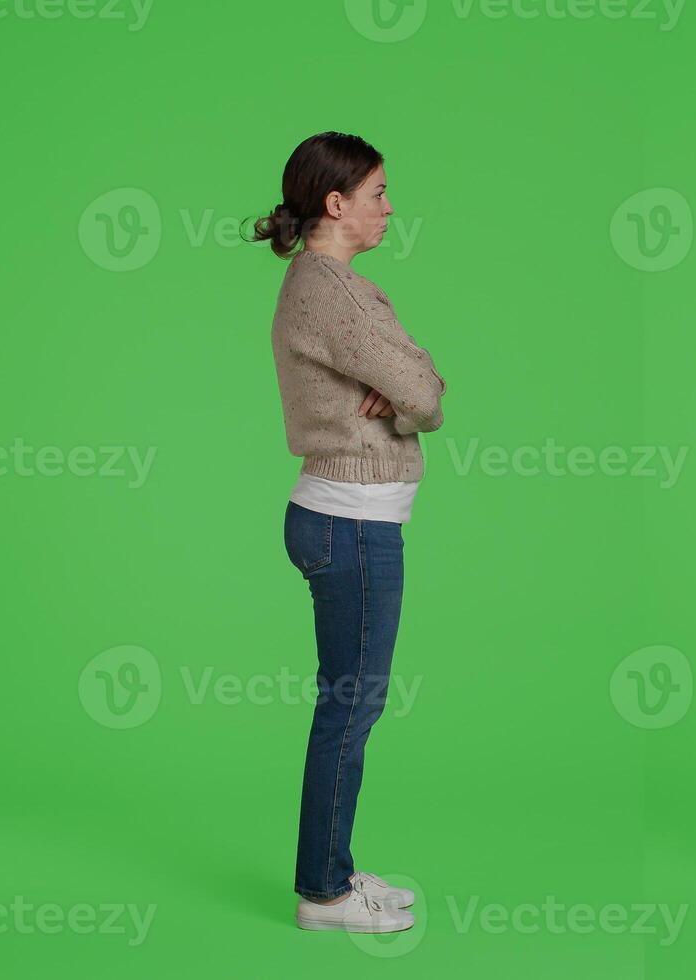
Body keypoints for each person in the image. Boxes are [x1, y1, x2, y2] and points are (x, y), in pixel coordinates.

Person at [252, 132, 446, 933]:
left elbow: (421, 380)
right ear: (337, 204)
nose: (389, 207)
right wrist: (408, 388)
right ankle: (324, 894)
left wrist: (408, 383)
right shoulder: (332, 290)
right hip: (350, 523)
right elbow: (427, 397)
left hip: (343, 519)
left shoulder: (334, 286)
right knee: (350, 707)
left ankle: (329, 870)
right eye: (377, 193)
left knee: (349, 702)